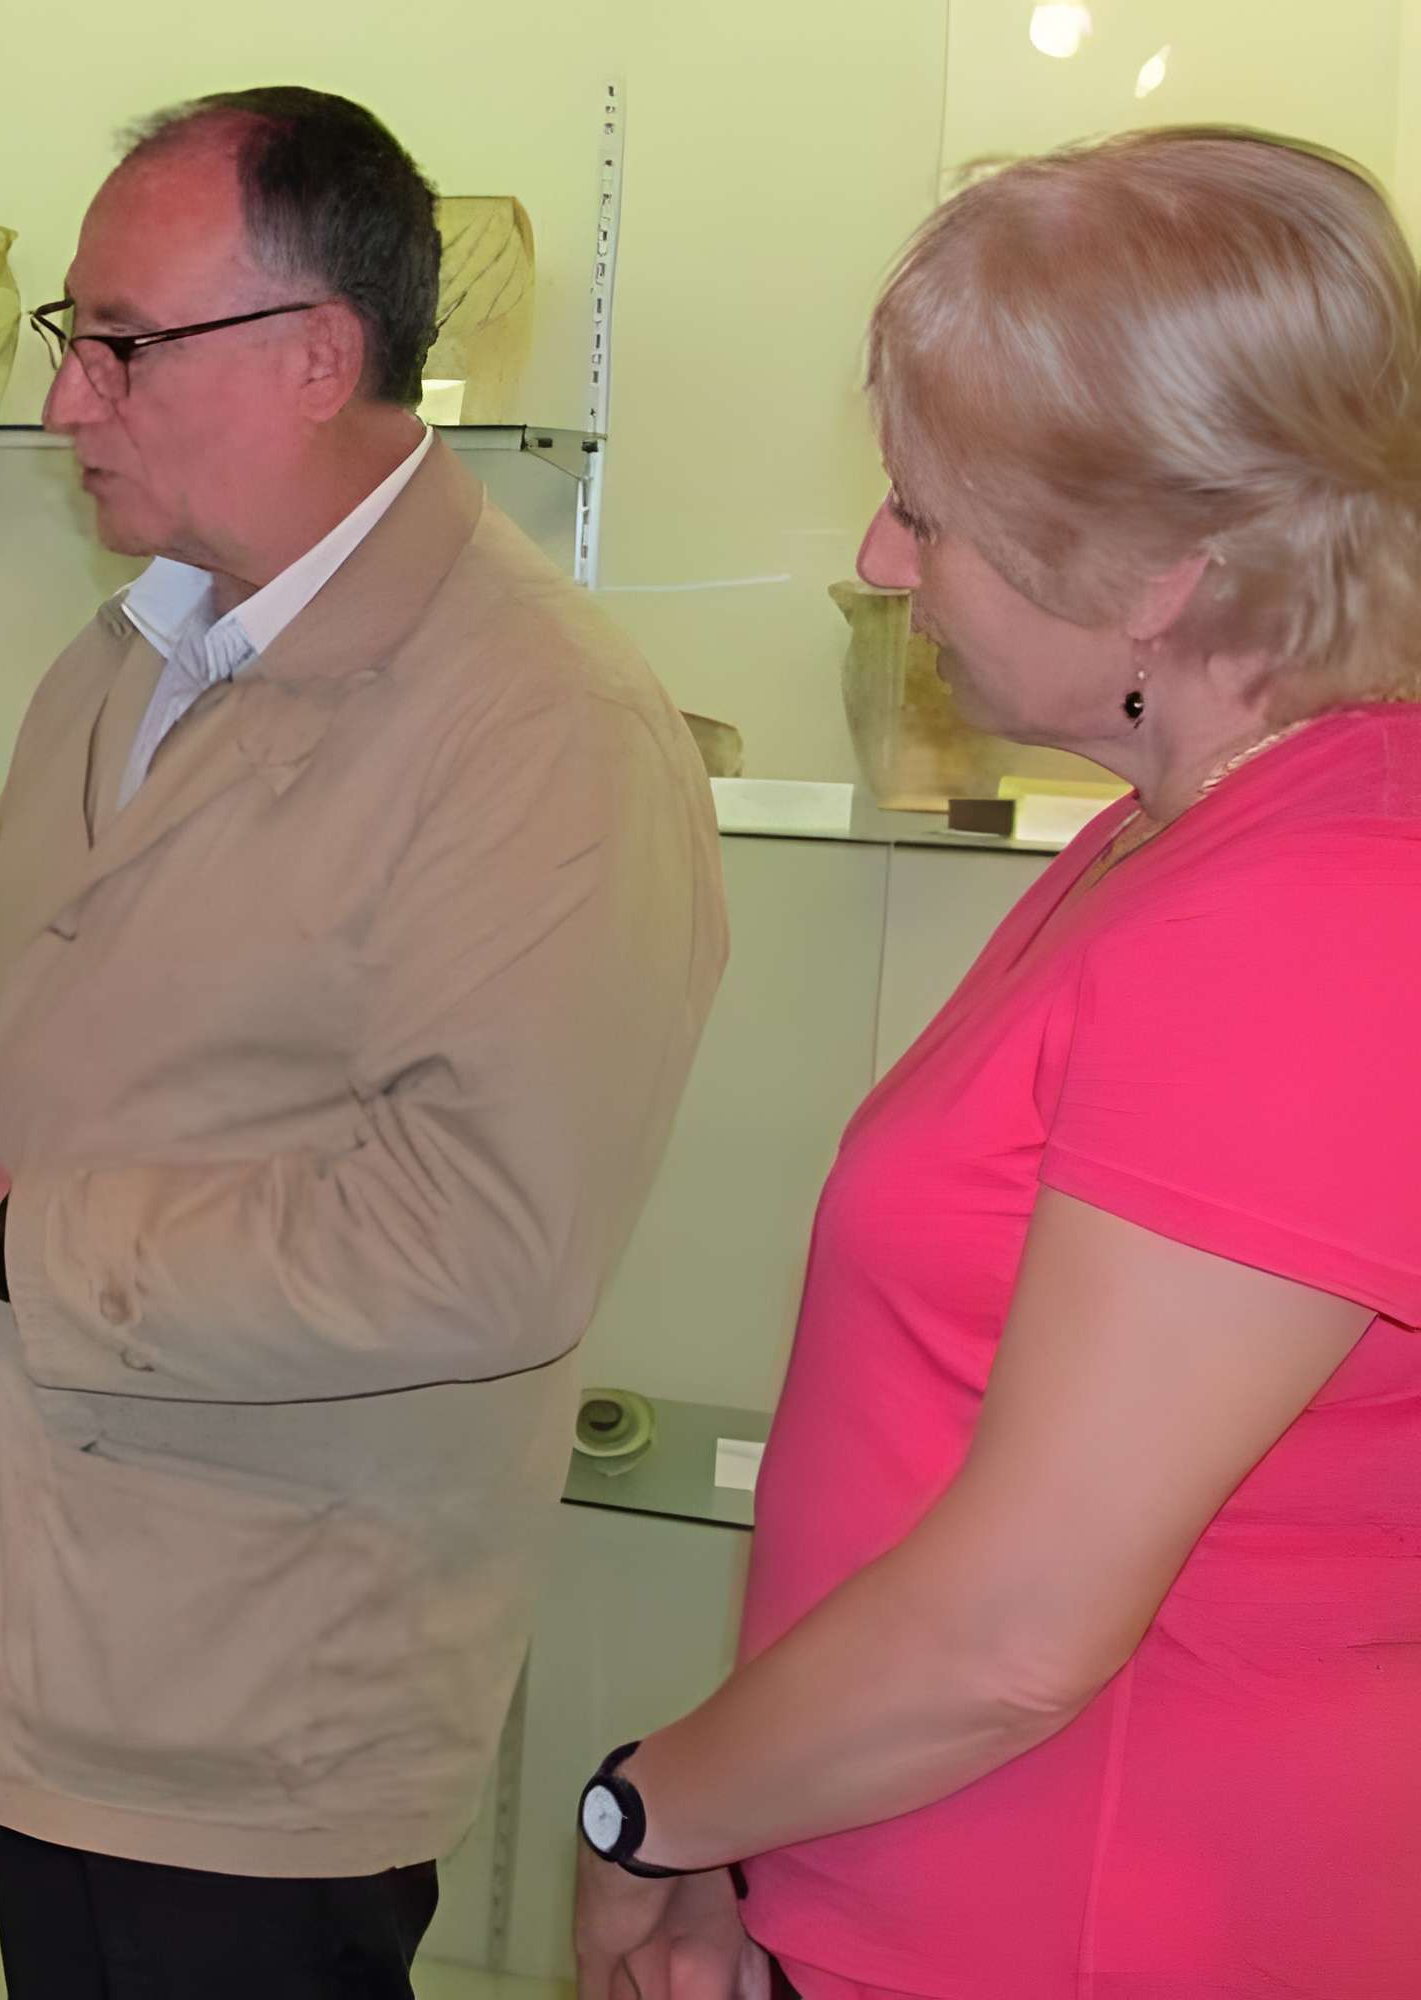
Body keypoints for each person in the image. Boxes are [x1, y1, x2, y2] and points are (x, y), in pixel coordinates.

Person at [0, 88, 722, 1997]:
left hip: (265, 1689)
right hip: (51, 1617)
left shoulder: (540, 725)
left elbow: (487, 1244)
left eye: (118, 345)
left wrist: (18, 1229)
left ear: (315, 356)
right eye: (71, 340)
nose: (66, 403)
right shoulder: (130, 657)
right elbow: (28, 1070)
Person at [572, 126, 1421, 2000]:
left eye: (926, 512)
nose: (882, 560)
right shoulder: (1178, 843)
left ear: (1158, 576)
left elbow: (1017, 1631)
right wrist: (748, 1825)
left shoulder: (1312, 911)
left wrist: (653, 1809)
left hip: (1103, 1929)